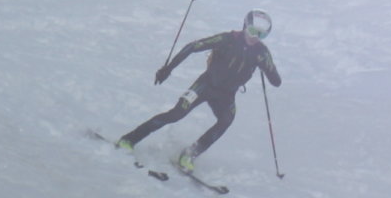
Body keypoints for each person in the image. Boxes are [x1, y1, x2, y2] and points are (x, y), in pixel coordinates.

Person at [119, 10, 280, 170]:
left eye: (261, 34)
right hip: (205, 86)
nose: (255, 37)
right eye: (252, 31)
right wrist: (168, 69)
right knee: (176, 114)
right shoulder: (227, 39)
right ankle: (129, 139)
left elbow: (276, 82)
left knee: (226, 121)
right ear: (245, 26)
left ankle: (189, 154)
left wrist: (267, 67)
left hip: (227, 95)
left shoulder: (262, 53)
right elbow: (192, 47)